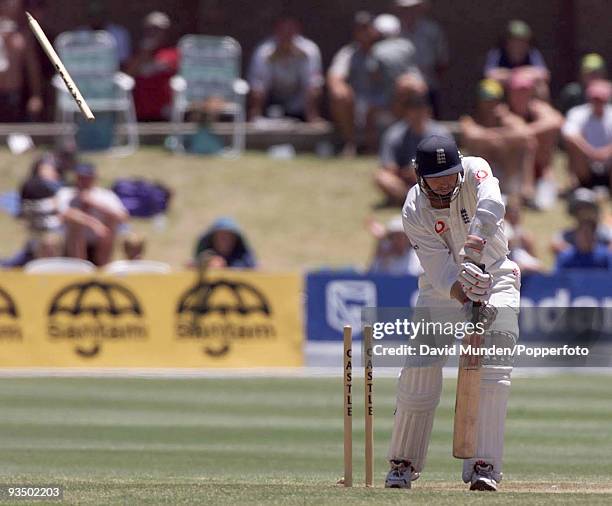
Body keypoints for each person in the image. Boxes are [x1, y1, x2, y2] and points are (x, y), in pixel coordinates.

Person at [385, 135, 520, 491]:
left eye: (450, 176)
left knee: (494, 369)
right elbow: (440, 271)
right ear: (420, 177)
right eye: (437, 180)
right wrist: (465, 292)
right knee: (419, 370)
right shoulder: (414, 209)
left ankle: (484, 464)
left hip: (496, 275)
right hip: (443, 290)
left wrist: (476, 245)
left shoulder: (476, 170)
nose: (445, 185)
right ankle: (404, 462)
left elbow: (493, 201)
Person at [375, 75, 451, 206]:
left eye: (420, 109)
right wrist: (408, 172)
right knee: (382, 178)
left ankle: (428, 199)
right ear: (407, 112)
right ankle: (410, 200)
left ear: (428, 111)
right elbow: (388, 168)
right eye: (413, 109)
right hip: (406, 182)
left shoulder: (441, 133)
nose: (417, 114)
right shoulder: (394, 134)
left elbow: (450, 165)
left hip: (434, 180)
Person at [460, 79, 535, 197]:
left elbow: (525, 134)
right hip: (483, 173)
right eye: (486, 100)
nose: (490, 105)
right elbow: (472, 135)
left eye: (494, 100)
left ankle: (523, 190)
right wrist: (500, 137)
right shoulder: (470, 119)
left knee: (527, 144)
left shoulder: (507, 119)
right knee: (481, 145)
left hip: (507, 169)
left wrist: (502, 125)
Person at [248, 16, 323, 122]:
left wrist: (312, 115)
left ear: (297, 31)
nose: (286, 34)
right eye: (283, 30)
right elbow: (257, 85)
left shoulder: (309, 50)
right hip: (271, 103)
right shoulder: (264, 51)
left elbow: (314, 84)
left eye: (290, 30)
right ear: (276, 31)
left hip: (299, 104)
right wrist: (255, 113)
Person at [505, 70, 563, 207]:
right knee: (528, 143)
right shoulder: (505, 112)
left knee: (544, 205)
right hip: (513, 170)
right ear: (510, 93)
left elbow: (557, 120)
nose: (522, 95)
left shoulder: (538, 108)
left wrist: (529, 130)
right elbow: (519, 132)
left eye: (525, 91)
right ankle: (527, 189)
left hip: (540, 169)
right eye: (518, 91)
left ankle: (544, 181)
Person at [327, 11, 379, 156]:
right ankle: (351, 144)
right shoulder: (348, 53)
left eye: (367, 28)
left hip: (382, 100)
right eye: (360, 29)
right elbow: (334, 76)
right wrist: (340, 87)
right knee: (340, 95)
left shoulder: (385, 51)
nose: (364, 33)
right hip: (357, 102)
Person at [57, 163, 128, 266]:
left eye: (87, 178)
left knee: (112, 220)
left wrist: (94, 203)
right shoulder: (66, 194)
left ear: (94, 178)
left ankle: (103, 266)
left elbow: (122, 217)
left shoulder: (106, 195)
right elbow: (64, 214)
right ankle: (80, 266)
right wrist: (94, 224)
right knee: (76, 220)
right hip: (73, 245)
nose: (83, 181)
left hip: (100, 244)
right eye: (80, 177)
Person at [394, 0, 449, 118]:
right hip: (399, 92)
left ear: (421, 8)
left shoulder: (432, 31)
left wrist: (429, 82)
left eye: (412, 8)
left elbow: (442, 62)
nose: (408, 12)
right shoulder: (393, 31)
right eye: (405, 8)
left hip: (429, 89)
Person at [125, 11, 177, 121]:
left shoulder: (171, 53)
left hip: (163, 113)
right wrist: (145, 52)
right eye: (149, 29)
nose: (153, 33)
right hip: (139, 113)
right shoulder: (137, 55)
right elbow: (128, 74)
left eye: (157, 29)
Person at [562, 79, 612, 191]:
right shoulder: (577, 113)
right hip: (585, 163)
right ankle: (579, 187)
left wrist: (606, 152)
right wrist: (591, 152)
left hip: (609, 163)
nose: (598, 102)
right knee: (573, 147)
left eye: (601, 99)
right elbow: (569, 134)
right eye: (595, 99)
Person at [0, 0, 43, 121]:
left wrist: (36, 95)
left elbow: (32, 67)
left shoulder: (23, 35)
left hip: (13, 93)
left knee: (16, 135)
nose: (10, 6)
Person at [483, 19, 549, 97]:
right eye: (514, 41)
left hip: (526, 90)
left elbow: (544, 74)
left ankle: (540, 108)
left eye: (522, 41)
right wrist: (514, 76)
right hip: (505, 89)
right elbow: (489, 75)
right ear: (507, 42)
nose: (518, 45)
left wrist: (519, 76)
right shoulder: (497, 52)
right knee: (489, 87)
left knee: (541, 87)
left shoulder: (532, 53)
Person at [551, 188, 611, 255]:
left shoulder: (603, 232)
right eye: (579, 209)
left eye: (587, 208)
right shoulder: (567, 235)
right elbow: (554, 245)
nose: (583, 212)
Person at [82, 0, 132, 65]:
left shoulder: (119, 34)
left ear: (105, 15)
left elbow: (124, 61)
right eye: (92, 15)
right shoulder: (80, 35)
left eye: (98, 15)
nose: (96, 19)